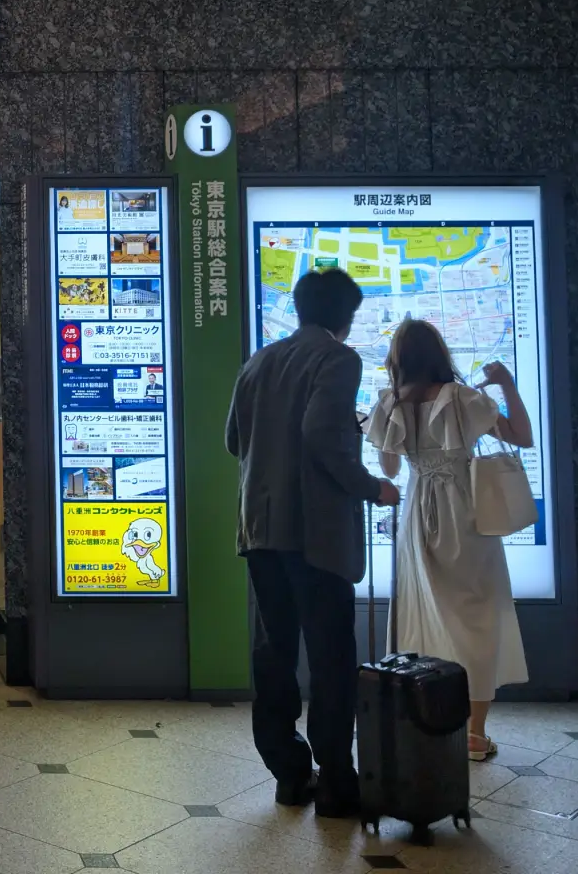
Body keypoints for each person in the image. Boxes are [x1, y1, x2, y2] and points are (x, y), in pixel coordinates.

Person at [225, 268, 400, 815]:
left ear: (301, 308)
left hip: (260, 528)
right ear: (346, 317)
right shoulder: (337, 359)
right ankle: (337, 782)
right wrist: (372, 486)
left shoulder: (260, 360)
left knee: (274, 653)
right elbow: (321, 433)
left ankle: (287, 772)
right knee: (330, 656)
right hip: (314, 533)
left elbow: (235, 440)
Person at [370, 320, 531, 762]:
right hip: (466, 513)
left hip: (417, 511)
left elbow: (387, 470)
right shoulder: (465, 399)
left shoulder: (388, 402)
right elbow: (522, 437)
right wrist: (507, 385)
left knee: (420, 616)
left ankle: (425, 725)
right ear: (439, 353)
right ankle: (475, 734)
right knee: (478, 616)